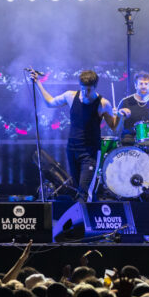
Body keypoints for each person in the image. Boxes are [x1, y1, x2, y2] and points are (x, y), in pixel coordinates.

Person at [31, 69, 120, 199]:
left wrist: (120, 117)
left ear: (95, 87)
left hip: (91, 152)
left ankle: (88, 216)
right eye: (83, 89)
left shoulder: (103, 103)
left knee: (84, 192)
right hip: (72, 149)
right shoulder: (71, 96)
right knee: (77, 189)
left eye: (88, 90)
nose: (85, 93)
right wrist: (37, 82)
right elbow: (49, 103)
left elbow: (114, 127)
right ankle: (82, 217)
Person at [116, 71, 149, 145]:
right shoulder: (125, 102)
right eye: (141, 83)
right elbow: (116, 129)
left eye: (146, 84)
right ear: (135, 85)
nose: (143, 86)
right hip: (129, 142)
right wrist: (120, 115)